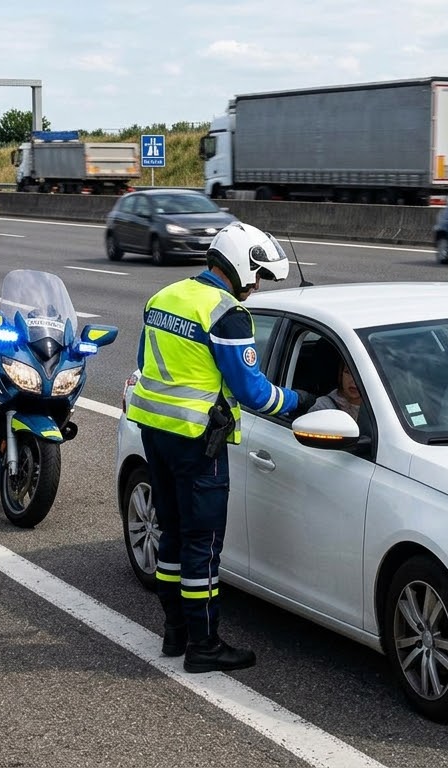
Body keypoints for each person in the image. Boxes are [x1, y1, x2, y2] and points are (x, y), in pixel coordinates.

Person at [125, 221, 316, 673]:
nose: (255, 287)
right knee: (203, 546)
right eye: (257, 276)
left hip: (154, 433)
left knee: (171, 533)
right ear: (238, 264)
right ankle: (204, 646)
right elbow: (254, 393)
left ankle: (175, 634)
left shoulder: (163, 298)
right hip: (198, 444)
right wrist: (299, 400)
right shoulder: (225, 313)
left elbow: (142, 364)